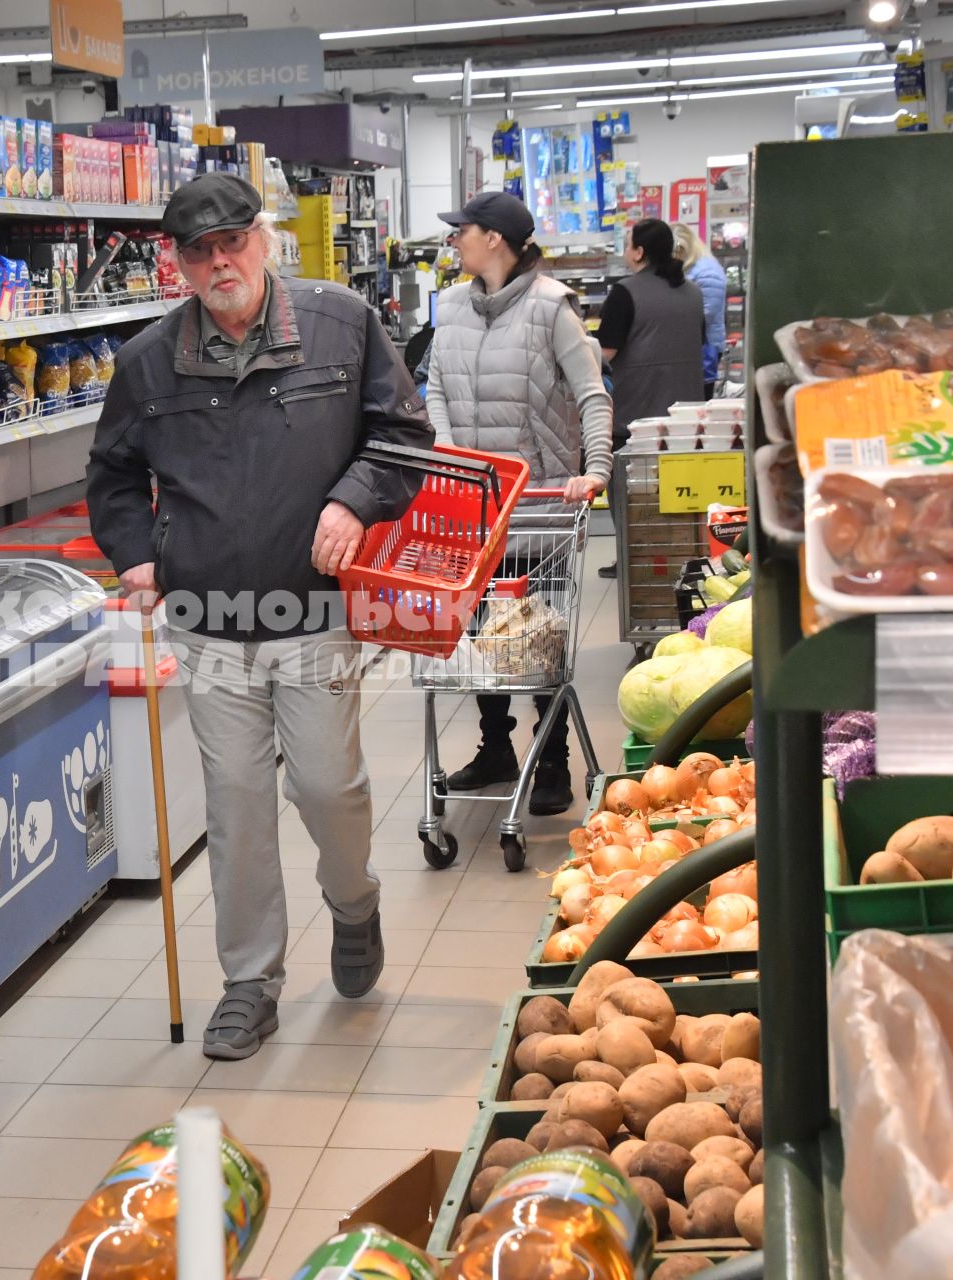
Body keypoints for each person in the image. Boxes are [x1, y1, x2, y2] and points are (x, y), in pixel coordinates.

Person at [87, 172, 433, 1061]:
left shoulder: (340, 324)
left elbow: (402, 436)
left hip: (313, 610)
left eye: (232, 243)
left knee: (327, 787)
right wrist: (133, 553)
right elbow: (114, 475)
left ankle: (354, 905)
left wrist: (356, 499)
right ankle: (250, 981)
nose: (219, 263)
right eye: (199, 252)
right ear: (180, 264)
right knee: (236, 805)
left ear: (264, 238)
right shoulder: (147, 362)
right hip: (207, 620)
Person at [425, 191, 612, 812]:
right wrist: (451, 457)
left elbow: (591, 395)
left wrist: (596, 469)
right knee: (485, 638)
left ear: (496, 240)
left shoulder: (551, 308)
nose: (455, 241)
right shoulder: (449, 307)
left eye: (463, 231)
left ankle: (552, 758)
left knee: (540, 637)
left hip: (539, 507)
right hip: (473, 510)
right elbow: (434, 392)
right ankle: (497, 749)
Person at [594, 217, 706, 577]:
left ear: (639, 251)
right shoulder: (693, 292)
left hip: (636, 411)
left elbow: (606, 351)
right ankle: (681, 557)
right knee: (677, 494)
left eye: (628, 244)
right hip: (686, 415)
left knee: (630, 491)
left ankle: (632, 559)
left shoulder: (626, 292)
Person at [672, 222, 728, 394]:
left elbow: (704, 314)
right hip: (697, 347)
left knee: (698, 398)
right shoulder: (697, 268)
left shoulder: (706, 272)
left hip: (703, 347)